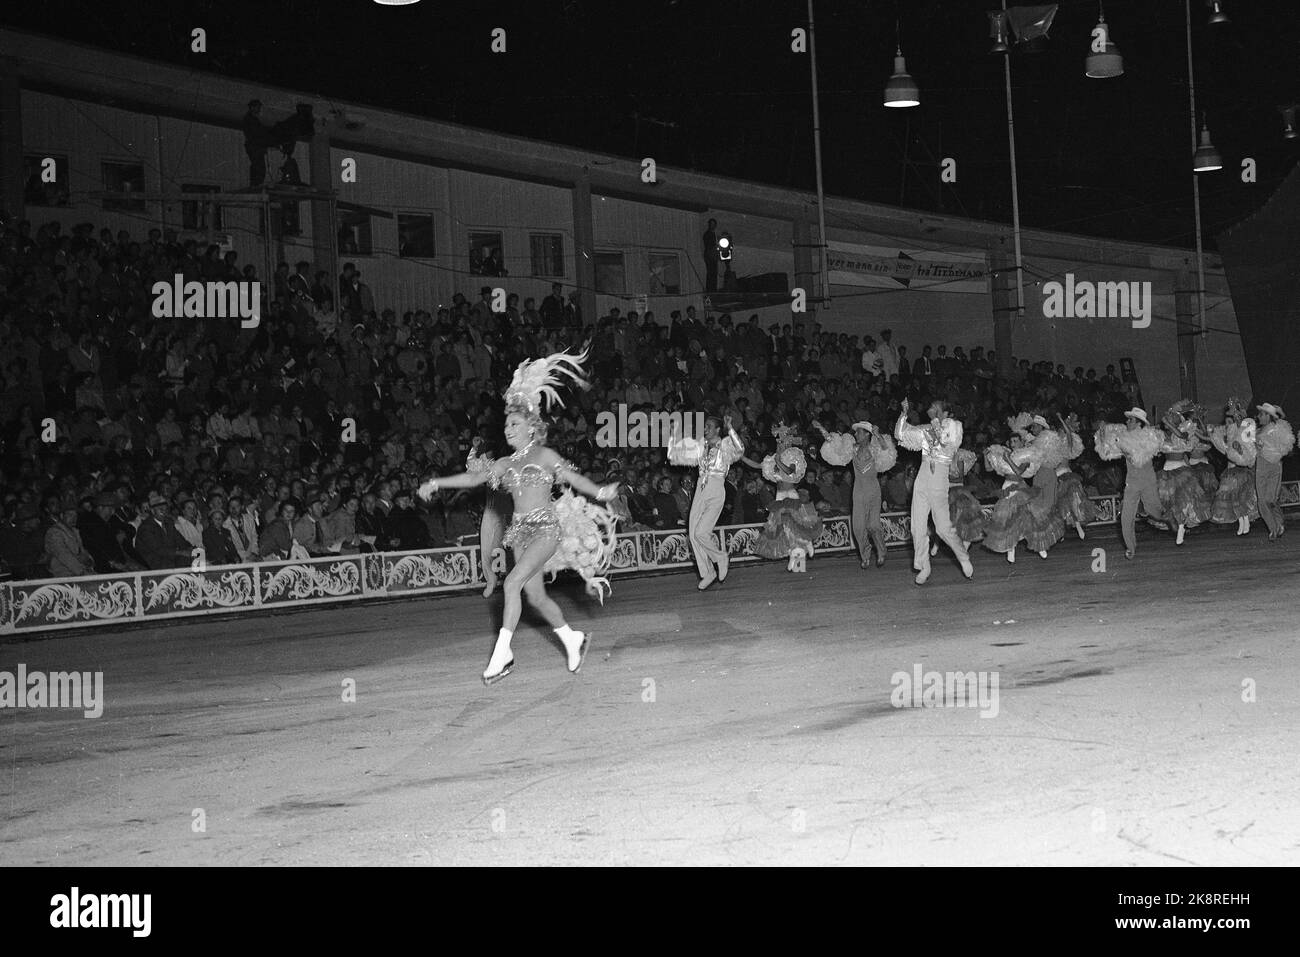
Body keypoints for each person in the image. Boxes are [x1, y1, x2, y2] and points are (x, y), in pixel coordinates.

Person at [418, 350, 619, 685]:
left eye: (515, 424)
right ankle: (574, 640)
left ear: (531, 427)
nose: (508, 429)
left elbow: (573, 479)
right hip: (520, 534)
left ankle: (503, 654)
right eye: (507, 424)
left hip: (546, 530)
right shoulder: (503, 464)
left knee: (511, 584)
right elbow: (473, 478)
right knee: (534, 597)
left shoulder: (544, 455)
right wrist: (436, 482)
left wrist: (599, 493)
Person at [894, 398, 975, 584]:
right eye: (930, 407)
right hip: (922, 479)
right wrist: (904, 413)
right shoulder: (927, 428)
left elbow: (946, 443)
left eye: (934, 407)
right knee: (917, 528)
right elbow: (900, 434)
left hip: (939, 479)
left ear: (945, 412)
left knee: (943, 528)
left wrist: (935, 422)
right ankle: (924, 565)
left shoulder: (955, 426)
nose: (930, 409)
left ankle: (963, 557)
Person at [667, 413, 745, 589]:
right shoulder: (701, 445)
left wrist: (730, 428)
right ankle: (708, 572)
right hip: (700, 488)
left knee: (702, 532)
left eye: (709, 426)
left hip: (716, 487)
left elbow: (740, 450)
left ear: (718, 429)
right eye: (705, 426)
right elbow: (676, 457)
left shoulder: (724, 444)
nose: (705, 428)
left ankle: (720, 557)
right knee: (694, 533)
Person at [814, 419, 895, 569]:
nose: (855, 434)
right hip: (858, 491)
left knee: (873, 525)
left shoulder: (875, 448)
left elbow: (886, 449)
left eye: (858, 432)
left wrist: (878, 435)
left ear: (865, 434)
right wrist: (821, 429)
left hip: (873, 490)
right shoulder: (852, 448)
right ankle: (865, 555)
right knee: (858, 527)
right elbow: (833, 444)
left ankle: (881, 550)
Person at [745, 422, 824, 572]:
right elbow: (756, 465)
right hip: (780, 495)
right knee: (784, 527)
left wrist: (779, 462)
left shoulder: (793, 458)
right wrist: (741, 458)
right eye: (779, 443)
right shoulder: (773, 461)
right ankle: (796, 554)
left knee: (799, 523)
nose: (780, 445)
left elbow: (788, 471)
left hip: (791, 494)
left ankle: (805, 544)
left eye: (783, 442)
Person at [1095, 408, 1166, 560]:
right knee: (1126, 517)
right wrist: (1103, 437)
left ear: (1139, 424)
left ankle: (1172, 520)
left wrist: (1120, 444)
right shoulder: (1124, 438)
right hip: (1132, 482)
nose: (1127, 421)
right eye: (1128, 419)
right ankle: (1131, 548)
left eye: (1131, 420)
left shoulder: (1148, 437)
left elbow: (1136, 457)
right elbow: (1107, 453)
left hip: (1147, 480)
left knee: (1153, 511)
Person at [1208, 397, 1258, 536]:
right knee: (1234, 499)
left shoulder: (1244, 432)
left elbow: (1248, 449)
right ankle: (1242, 522)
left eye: (1232, 420)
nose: (1228, 423)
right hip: (1230, 471)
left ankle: (1245, 521)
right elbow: (1221, 446)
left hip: (1241, 471)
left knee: (1240, 498)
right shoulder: (1229, 435)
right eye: (1228, 420)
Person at [1254, 402, 1295, 541]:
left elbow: (1284, 432)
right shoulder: (1257, 432)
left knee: (1271, 500)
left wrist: (1281, 415)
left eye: (1261, 414)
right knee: (1262, 501)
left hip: (1274, 466)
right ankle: (1273, 529)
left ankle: (1278, 523)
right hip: (1261, 466)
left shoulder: (1274, 428)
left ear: (1267, 416)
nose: (1258, 417)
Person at [242, 99, 268, 188]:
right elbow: (255, 134)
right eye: (258, 107)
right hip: (255, 147)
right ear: (252, 107)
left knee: (258, 166)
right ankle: (256, 185)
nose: (259, 109)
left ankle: (256, 184)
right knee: (258, 166)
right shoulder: (250, 120)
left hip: (255, 147)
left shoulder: (252, 119)